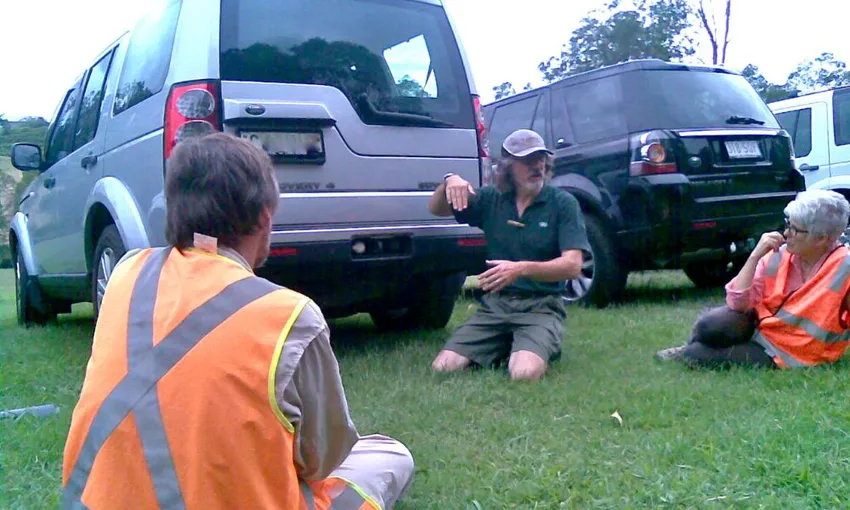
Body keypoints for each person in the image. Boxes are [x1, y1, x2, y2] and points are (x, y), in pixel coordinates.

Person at [62, 133, 414, 509]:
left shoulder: (126, 274)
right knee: (388, 456)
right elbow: (322, 458)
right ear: (265, 217)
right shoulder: (289, 315)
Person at [427, 129, 590, 381]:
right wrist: (449, 181)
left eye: (540, 158)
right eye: (527, 160)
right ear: (507, 167)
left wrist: (520, 269)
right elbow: (436, 209)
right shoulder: (492, 200)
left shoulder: (563, 203)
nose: (537, 165)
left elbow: (573, 265)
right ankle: (508, 344)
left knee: (523, 374)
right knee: (443, 367)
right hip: (496, 306)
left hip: (541, 305)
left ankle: (535, 344)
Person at [655, 189, 850, 369]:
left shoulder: (844, 267)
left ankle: (686, 352)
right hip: (760, 326)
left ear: (821, 239)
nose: (786, 234)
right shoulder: (779, 253)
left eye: (795, 230)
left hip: (792, 350)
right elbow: (736, 303)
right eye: (787, 225)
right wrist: (755, 256)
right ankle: (687, 349)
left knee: (696, 354)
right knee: (709, 325)